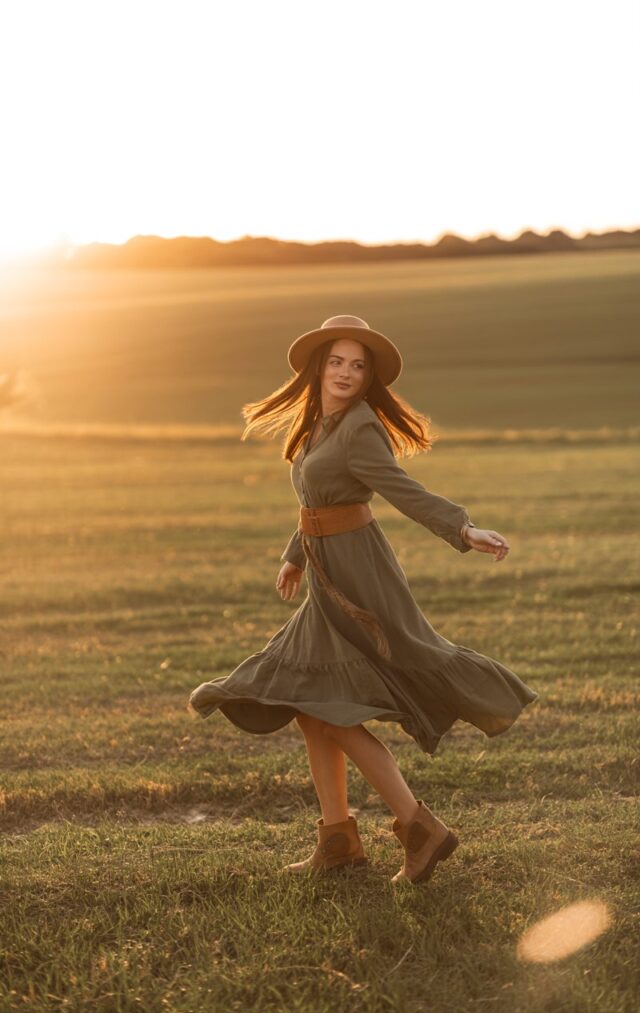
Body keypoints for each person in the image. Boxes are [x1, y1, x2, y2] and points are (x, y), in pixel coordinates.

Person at [188, 314, 538, 884]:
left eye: (357, 365)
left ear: (367, 376)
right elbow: (318, 500)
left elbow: (402, 490)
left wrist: (463, 529)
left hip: (359, 579)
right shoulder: (317, 425)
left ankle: (420, 828)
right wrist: (295, 555)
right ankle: (338, 842)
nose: (346, 373)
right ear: (318, 368)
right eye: (336, 362)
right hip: (328, 574)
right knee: (311, 706)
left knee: (332, 708)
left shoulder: (360, 426)